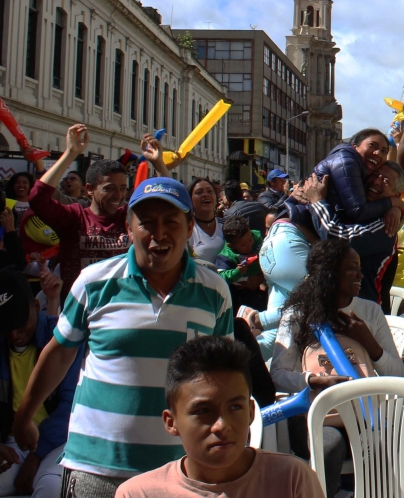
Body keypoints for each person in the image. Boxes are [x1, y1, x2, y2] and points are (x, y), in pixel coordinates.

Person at [12, 177, 234, 498]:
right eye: (146, 223)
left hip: (178, 471)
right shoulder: (94, 282)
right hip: (96, 469)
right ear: (129, 230)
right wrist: (25, 416)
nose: (159, 233)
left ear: (188, 229)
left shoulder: (215, 291)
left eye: (171, 222)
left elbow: (223, 375)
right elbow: (59, 352)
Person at [271, 239, 403, 497]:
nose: (361, 274)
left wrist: (369, 342)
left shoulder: (370, 312)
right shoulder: (298, 315)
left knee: (391, 442)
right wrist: (312, 381)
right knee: (329, 446)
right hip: (320, 414)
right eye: (352, 267)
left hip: (365, 413)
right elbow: (277, 376)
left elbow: (396, 374)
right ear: (330, 272)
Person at [115, 336, 323, 498]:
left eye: (234, 407)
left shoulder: (290, 479)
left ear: (251, 412)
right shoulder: (138, 494)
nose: (221, 426)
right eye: (203, 411)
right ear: (171, 422)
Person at [28, 125, 169, 291]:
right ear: (89, 189)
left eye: (123, 188)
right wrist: (70, 153)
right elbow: (37, 198)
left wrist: (158, 164)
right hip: (82, 310)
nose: (118, 195)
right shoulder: (74, 217)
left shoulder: (130, 215)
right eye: (109, 188)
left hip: (125, 307)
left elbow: (167, 200)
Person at [0, 266, 83, 498]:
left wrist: (37, 456)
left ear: (37, 306)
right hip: (14, 442)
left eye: (20, 322)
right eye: (6, 327)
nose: (15, 333)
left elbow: (71, 406)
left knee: (49, 488)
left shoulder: (62, 338)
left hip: (59, 440)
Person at [293, 163, 404, 307]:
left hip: (360, 313)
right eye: (374, 175)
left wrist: (317, 201)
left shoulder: (385, 225)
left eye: (386, 180)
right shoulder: (358, 210)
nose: (376, 181)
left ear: (396, 194)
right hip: (331, 305)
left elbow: (337, 237)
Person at [240, 214, 315, 361]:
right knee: (320, 302)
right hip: (288, 243)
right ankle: (255, 319)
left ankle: (225, 364)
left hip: (274, 246)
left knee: (274, 338)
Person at [313, 129, 404, 226]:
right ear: (355, 146)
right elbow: (358, 211)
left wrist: (395, 210)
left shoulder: (362, 170)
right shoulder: (346, 162)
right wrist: (394, 202)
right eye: (372, 145)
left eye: (384, 151)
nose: (377, 153)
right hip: (301, 224)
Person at [188, 179, 225, 263]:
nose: (205, 195)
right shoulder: (187, 229)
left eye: (209, 191)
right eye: (199, 192)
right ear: (190, 200)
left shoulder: (225, 226)